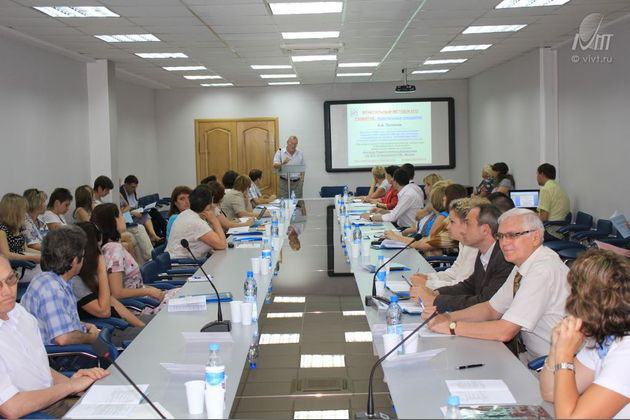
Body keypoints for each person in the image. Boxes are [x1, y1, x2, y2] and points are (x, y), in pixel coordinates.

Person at [426, 208, 570, 362]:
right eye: (501, 236)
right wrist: (447, 316)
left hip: (555, 364)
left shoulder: (543, 270)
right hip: (534, 356)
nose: (504, 243)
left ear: (535, 237)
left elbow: (505, 331)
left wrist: (452, 326)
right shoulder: (523, 263)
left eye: (513, 235)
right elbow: (491, 309)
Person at [0, 256, 110, 419]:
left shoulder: (19, 313)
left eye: (10, 279)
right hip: (34, 414)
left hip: (53, 400)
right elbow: (12, 408)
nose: (7, 291)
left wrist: (72, 383)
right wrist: (70, 387)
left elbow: (39, 368)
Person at [540, 249, 630, 418]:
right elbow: (550, 392)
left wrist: (565, 355)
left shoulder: (626, 353)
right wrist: (556, 350)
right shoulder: (607, 336)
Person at [411, 204, 514, 313]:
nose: (463, 230)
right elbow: (468, 286)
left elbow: (484, 302)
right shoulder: (484, 252)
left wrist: (435, 300)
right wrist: (435, 293)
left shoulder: (504, 259)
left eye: (467, 224)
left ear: (485, 230)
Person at [20, 226, 101, 346]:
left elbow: (58, 322)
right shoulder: (53, 290)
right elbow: (63, 338)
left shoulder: (46, 278)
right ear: (74, 261)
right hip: (65, 354)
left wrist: (85, 326)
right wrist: (92, 337)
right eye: (83, 256)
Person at [72, 223, 146, 338]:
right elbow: (104, 311)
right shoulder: (75, 281)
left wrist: (142, 327)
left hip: (118, 324)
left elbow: (113, 302)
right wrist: (102, 270)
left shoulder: (87, 274)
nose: (100, 252)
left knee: (154, 327)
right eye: (98, 246)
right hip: (106, 333)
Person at [91, 203, 169, 312]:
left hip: (143, 300)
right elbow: (117, 293)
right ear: (114, 220)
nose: (124, 218)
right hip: (139, 306)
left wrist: (148, 290)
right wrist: (148, 291)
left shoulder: (112, 247)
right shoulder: (113, 250)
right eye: (121, 215)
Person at [410, 198, 487, 290]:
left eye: (452, 221)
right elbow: (453, 273)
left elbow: (461, 287)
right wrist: (428, 277)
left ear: (466, 223)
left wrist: (427, 283)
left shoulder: (475, 248)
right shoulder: (463, 243)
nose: (448, 226)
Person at [167, 184, 227, 259]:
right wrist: (215, 221)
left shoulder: (186, 214)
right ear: (208, 206)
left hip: (178, 261)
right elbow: (222, 245)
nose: (213, 206)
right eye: (211, 203)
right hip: (183, 264)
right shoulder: (196, 222)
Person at [119, 175, 162, 243]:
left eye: (135, 187)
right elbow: (119, 211)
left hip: (131, 213)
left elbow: (133, 204)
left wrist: (138, 210)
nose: (134, 189)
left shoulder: (131, 191)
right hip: (124, 217)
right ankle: (154, 236)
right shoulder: (119, 194)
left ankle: (154, 236)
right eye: (133, 187)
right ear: (126, 185)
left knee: (149, 214)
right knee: (150, 215)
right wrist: (131, 212)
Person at [0, 193, 41, 264]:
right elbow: (6, 255)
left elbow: (25, 249)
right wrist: (32, 257)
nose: (25, 213)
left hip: (23, 262)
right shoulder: (2, 230)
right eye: (23, 210)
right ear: (14, 212)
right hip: (10, 266)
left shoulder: (18, 227)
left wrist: (44, 254)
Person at [536, 163, 571, 240]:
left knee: (525, 234)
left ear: (542, 174)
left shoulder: (546, 189)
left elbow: (543, 218)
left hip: (551, 231)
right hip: (561, 229)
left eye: (537, 174)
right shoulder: (558, 187)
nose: (537, 177)